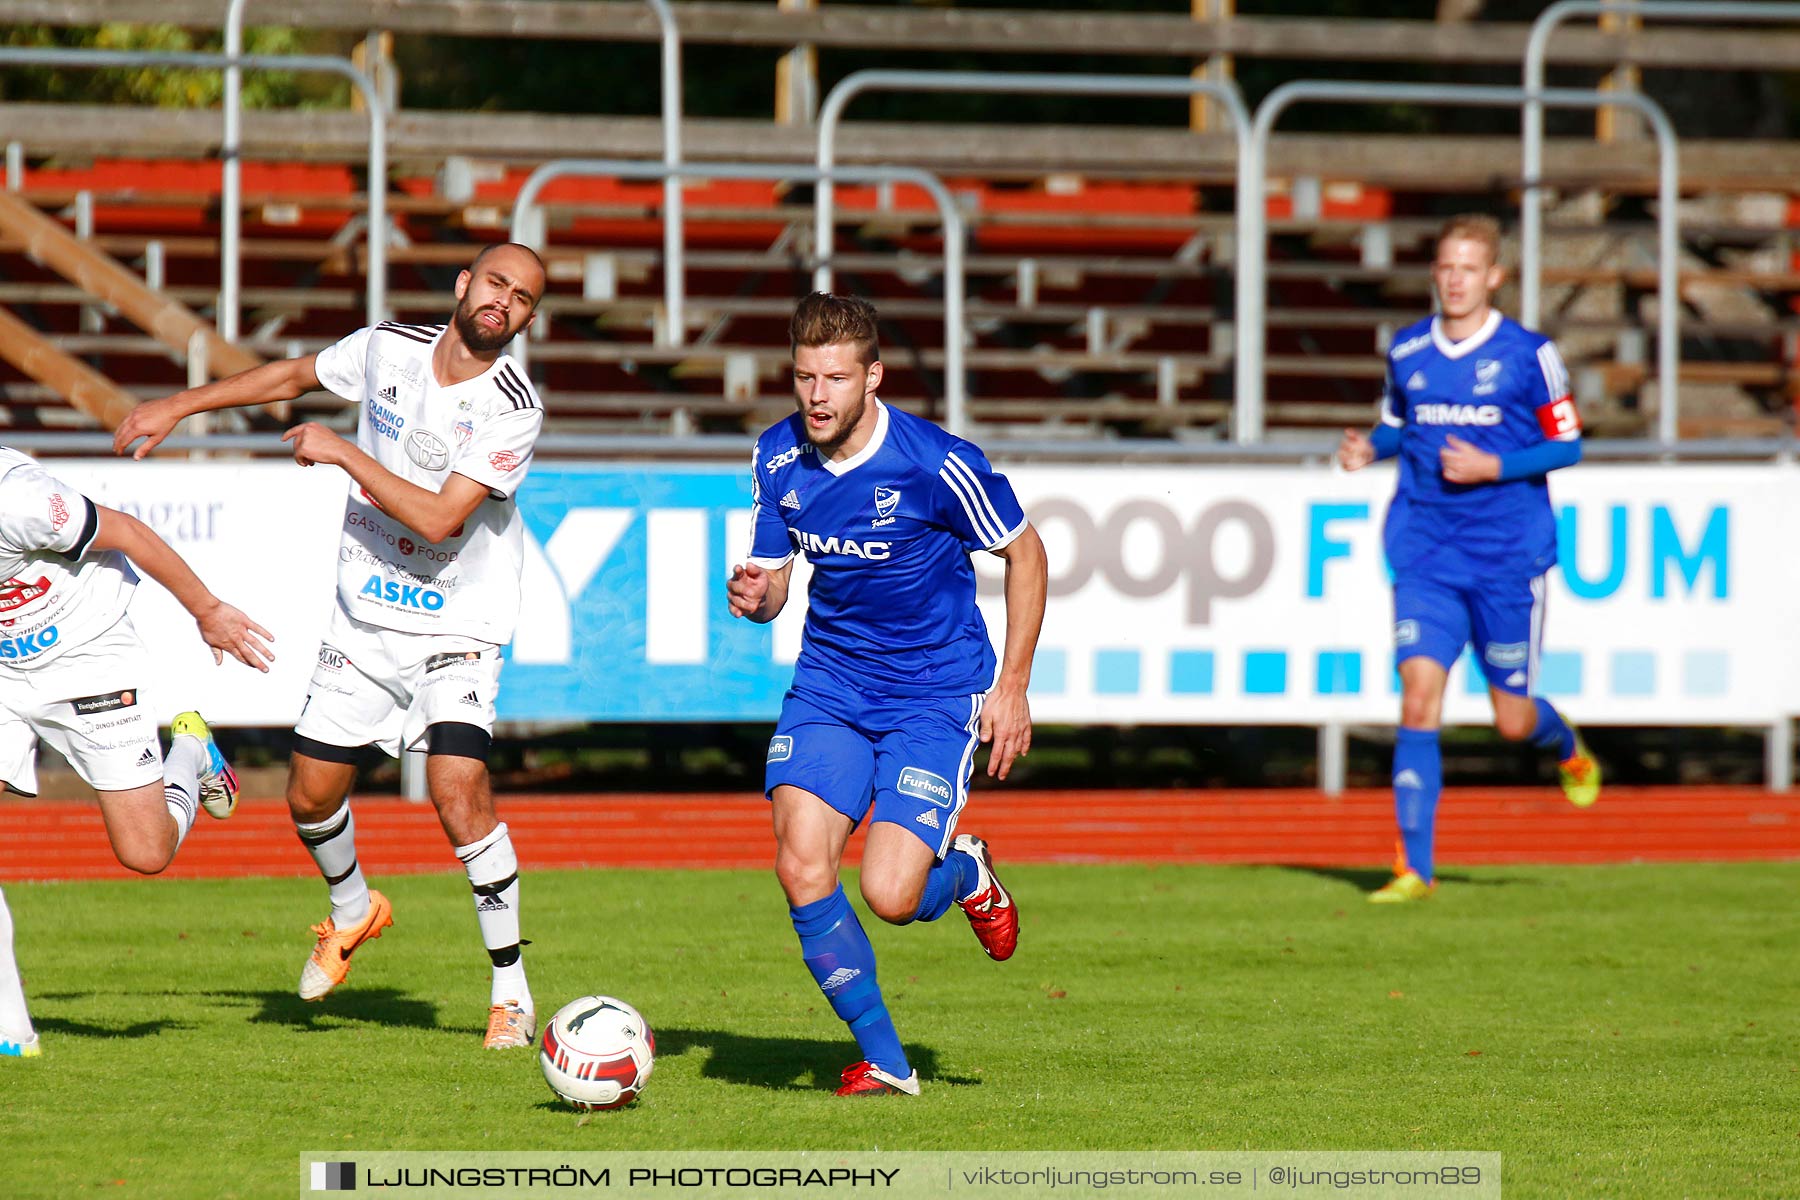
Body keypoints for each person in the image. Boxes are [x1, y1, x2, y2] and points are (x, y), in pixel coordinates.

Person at [114, 243, 549, 1048]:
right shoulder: (390, 346)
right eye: (495, 283)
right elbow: (288, 377)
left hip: (459, 624)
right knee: (309, 798)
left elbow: (439, 519)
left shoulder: (514, 407)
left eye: (522, 298)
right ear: (464, 284)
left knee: (458, 785)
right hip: (366, 617)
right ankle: (354, 912)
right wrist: (179, 404)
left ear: (526, 318)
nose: (503, 302)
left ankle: (510, 991)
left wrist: (343, 451)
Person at [727, 292, 1048, 1096]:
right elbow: (774, 590)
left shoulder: (936, 463)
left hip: (935, 693)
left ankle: (965, 873)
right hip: (832, 685)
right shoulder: (777, 457)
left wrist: (1012, 687)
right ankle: (886, 1061)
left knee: (891, 895)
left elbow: (1028, 553)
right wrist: (754, 594)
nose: (817, 396)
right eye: (804, 377)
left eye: (835, 378)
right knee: (802, 867)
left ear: (874, 376)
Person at [1338, 214, 1599, 904]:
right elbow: (1399, 425)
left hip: (1507, 556)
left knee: (1511, 720)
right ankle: (1414, 871)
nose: (1455, 280)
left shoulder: (1528, 354)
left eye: (1468, 268)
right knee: (1419, 697)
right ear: (1435, 273)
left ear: (1494, 277)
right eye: (1445, 267)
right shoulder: (1408, 350)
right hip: (1424, 550)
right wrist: (1370, 448)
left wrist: (1495, 465)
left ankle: (1566, 744)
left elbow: (1568, 445)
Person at [0, 446, 271, 1058]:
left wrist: (208, 611)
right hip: (3, 672)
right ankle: (12, 1034)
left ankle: (193, 750)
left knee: (146, 852)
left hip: (88, 659)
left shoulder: (16, 499)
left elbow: (125, 530)